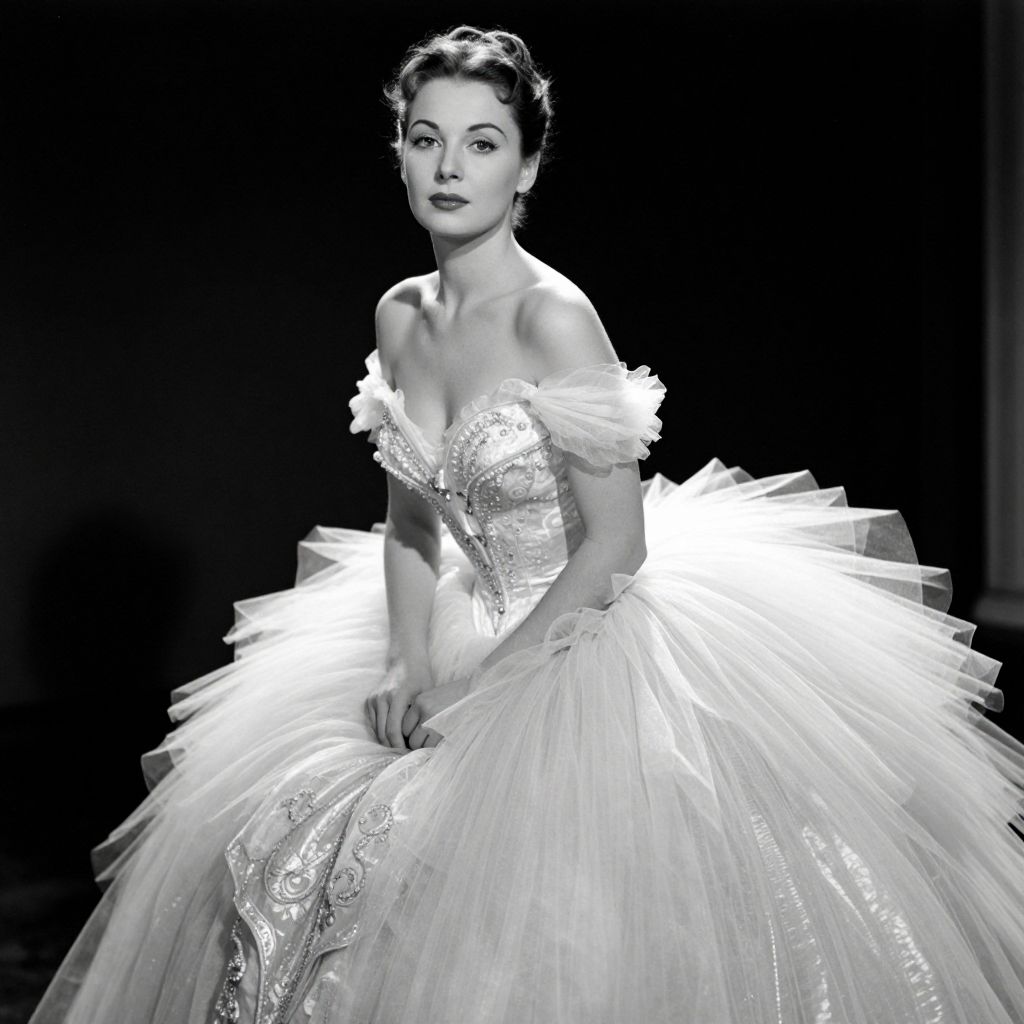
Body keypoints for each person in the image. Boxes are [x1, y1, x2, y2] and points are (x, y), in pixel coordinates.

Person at [30, 25, 1024, 1024]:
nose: (450, 167)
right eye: (426, 139)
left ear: (527, 163)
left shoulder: (555, 317)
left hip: (580, 631)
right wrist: (405, 659)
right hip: (463, 612)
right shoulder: (399, 315)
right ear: (401, 153)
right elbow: (410, 516)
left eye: (481, 142)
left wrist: (482, 686)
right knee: (299, 843)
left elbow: (616, 544)